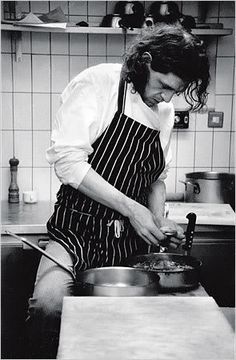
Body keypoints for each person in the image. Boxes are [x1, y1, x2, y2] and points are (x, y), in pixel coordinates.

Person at [26, 24, 210, 358]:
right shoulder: (99, 84)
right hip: (75, 234)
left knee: (149, 328)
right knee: (48, 306)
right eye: (164, 86)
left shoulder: (165, 113)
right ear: (147, 61)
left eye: (176, 91)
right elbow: (68, 162)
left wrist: (156, 223)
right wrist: (131, 209)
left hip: (130, 247)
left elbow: (155, 178)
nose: (168, 98)